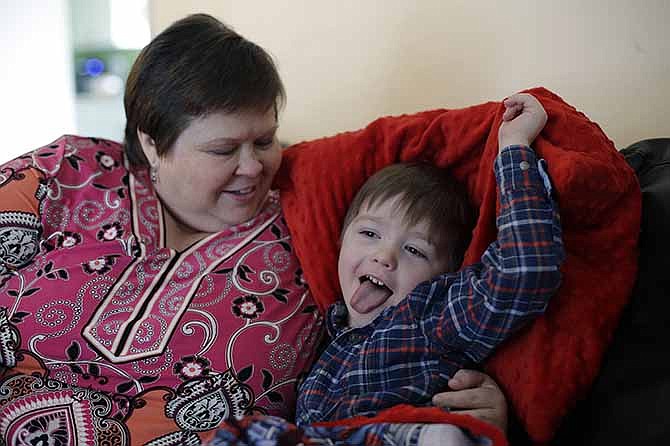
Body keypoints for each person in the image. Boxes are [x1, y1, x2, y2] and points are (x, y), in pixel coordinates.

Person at [0, 13, 508, 445]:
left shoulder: (313, 223)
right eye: (223, 150)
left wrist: (458, 399)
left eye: (264, 140)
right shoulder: (65, 172)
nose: (252, 167)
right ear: (153, 144)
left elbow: (410, 312)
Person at [207, 93, 563, 445]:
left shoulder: (433, 315)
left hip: (404, 433)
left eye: (414, 250)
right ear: (341, 241)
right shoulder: (322, 332)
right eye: (369, 233)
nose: (385, 256)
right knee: (244, 433)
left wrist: (514, 146)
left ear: (446, 276)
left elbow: (525, 271)